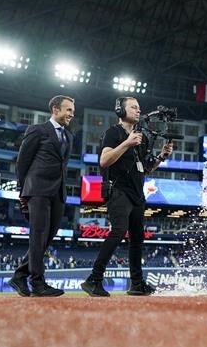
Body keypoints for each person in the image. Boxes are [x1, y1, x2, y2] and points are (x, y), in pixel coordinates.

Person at [81, 97, 173, 297]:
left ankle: (137, 284)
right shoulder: (113, 133)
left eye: (139, 108)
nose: (138, 111)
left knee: (137, 239)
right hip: (118, 190)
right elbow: (104, 161)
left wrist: (161, 158)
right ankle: (94, 279)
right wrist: (127, 143)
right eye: (133, 107)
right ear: (120, 110)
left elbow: (146, 169)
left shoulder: (142, 137)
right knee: (118, 231)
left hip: (137, 193)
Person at [8, 95, 75, 297]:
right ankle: (37, 283)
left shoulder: (69, 136)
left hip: (58, 192)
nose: (72, 114)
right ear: (55, 109)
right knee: (38, 236)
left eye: (73, 110)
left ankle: (19, 275)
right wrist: (23, 192)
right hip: (37, 189)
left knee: (46, 238)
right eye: (68, 110)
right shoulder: (38, 130)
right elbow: (22, 162)